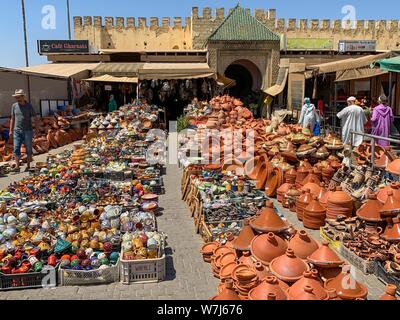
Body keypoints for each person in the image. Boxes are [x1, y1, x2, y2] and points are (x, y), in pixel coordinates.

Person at [10, 89, 38, 172]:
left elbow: (35, 118)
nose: (17, 98)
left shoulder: (29, 106)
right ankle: (17, 167)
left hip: (28, 131)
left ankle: (28, 165)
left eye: (18, 97)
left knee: (28, 149)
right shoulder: (14, 106)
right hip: (17, 131)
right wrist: (10, 130)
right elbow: (12, 118)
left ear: (23, 96)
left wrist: (36, 129)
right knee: (16, 148)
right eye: (16, 97)